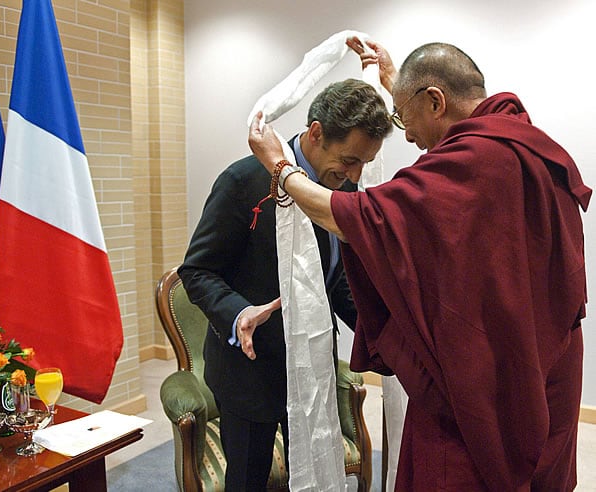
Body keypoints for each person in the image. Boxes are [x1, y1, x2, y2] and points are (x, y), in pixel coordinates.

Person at [248, 41, 591, 491]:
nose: (407, 137)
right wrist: (398, 87)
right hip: (549, 357)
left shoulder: (479, 159)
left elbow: (359, 217)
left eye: (405, 120)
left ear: (435, 100)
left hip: (491, 376)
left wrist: (280, 169)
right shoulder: (521, 139)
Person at [178, 78, 392, 490]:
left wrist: (386, 327)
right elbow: (197, 271)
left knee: (311, 474)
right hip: (251, 373)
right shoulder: (243, 182)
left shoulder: (339, 185)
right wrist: (237, 312)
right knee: (249, 481)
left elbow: (336, 278)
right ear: (315, 133)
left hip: (312, 369)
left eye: (364, 163)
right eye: (349, 160)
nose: (354, 175)